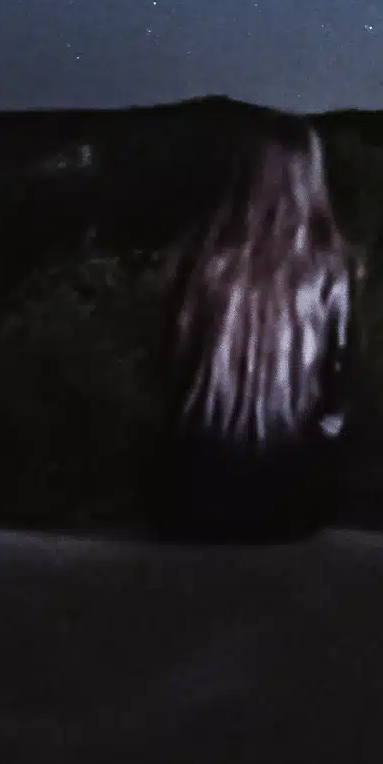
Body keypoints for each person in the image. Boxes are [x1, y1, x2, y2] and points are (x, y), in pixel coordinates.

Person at [146, 117, 355, 542]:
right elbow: (339, 383)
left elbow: (169, 368)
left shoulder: (203, 261)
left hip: (193, 495)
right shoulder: (329, 269)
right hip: (287, 502)